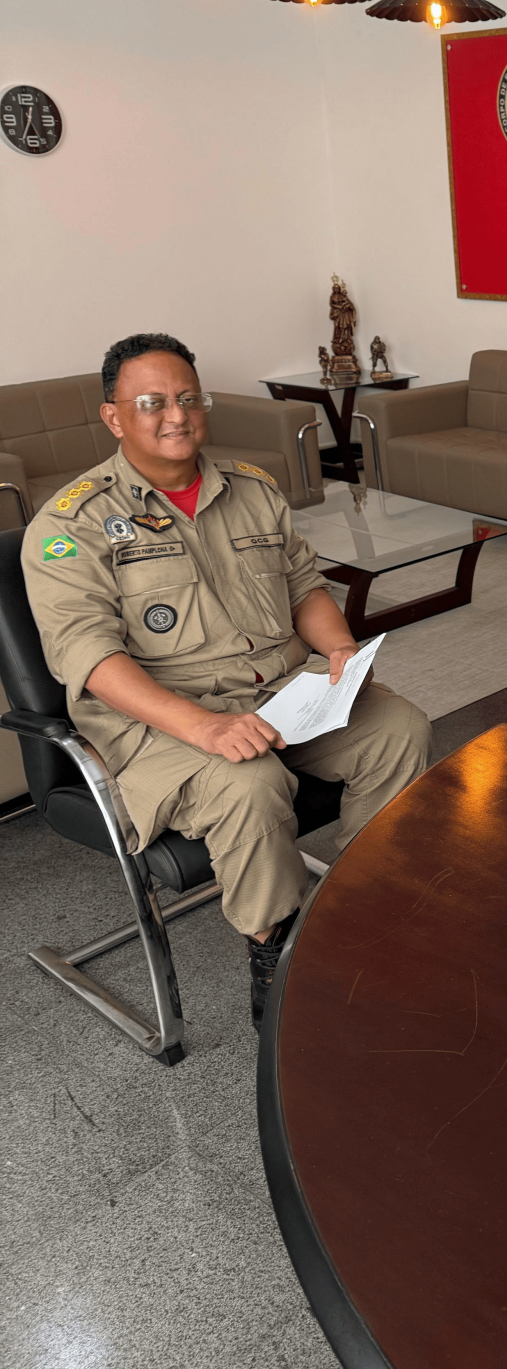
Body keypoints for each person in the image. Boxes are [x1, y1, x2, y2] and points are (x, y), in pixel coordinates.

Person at [22, 334, 432, 1028]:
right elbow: (88, 657)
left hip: (277, 693)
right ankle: (275, 951)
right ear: (114, 417)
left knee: (400, 728)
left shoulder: (252, 489)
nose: (176, 415)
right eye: (152, 403)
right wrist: (205, 727)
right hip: (160, 720)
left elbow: (303, 586)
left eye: (189, 398)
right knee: (249, 784)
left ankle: (363, 907)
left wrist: (338, 651)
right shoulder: (73, 523)